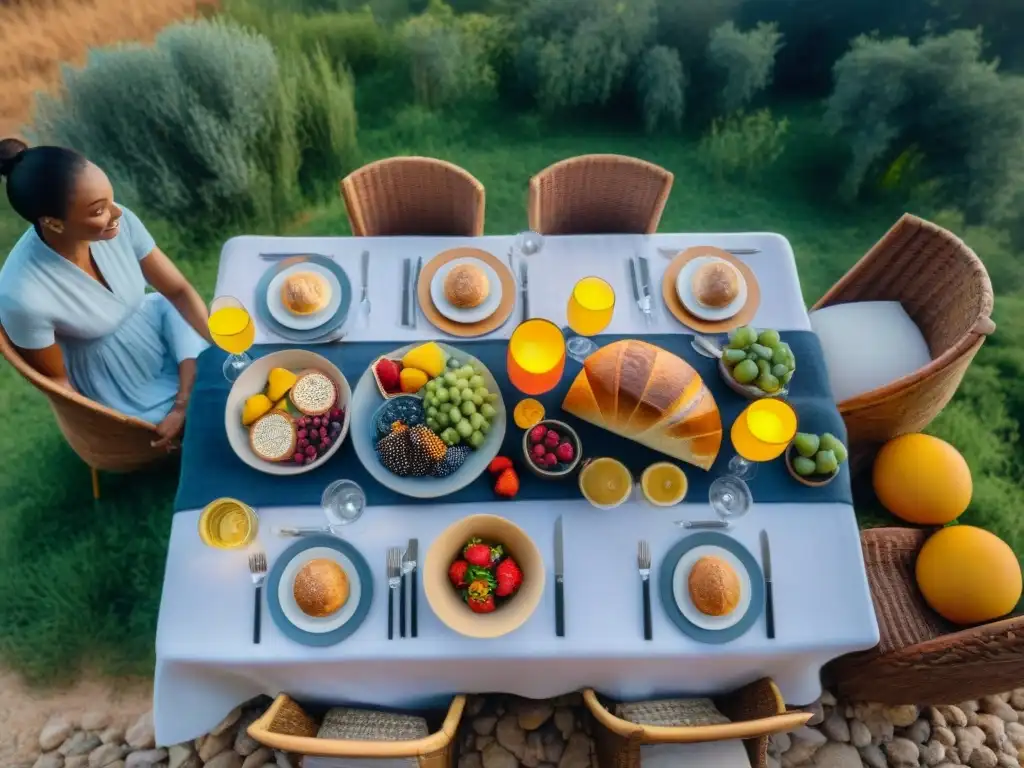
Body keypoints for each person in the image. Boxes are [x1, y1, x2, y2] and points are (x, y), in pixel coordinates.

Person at [0, 138, 211, 451]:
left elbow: (178, 292)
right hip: (114, 380)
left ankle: (189, 397)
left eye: (111, 199)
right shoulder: (22, 294)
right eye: (99, 210)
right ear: (53, 223)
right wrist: (111, 432)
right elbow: (59, 385)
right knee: (206, 411)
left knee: (218, 371)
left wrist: (224, 348)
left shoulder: (118, 221)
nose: (116, 213)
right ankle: (188, 402)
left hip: (152, 321)